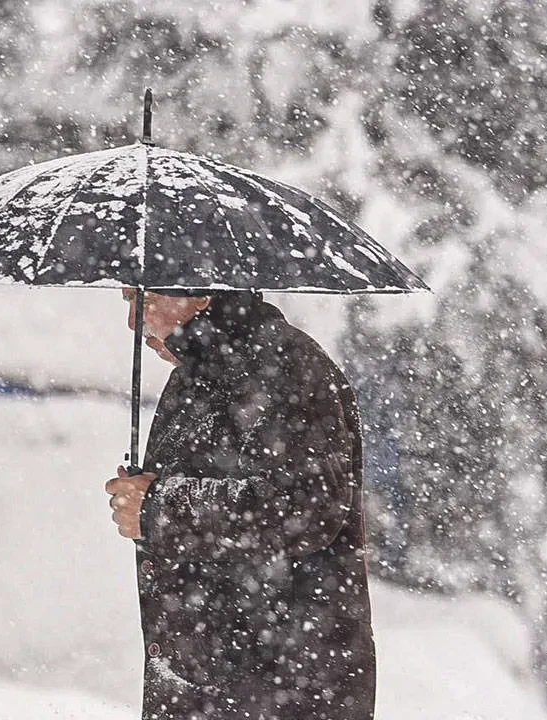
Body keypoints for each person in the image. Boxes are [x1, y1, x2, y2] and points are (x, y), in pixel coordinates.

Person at [105, 288, 376, 720]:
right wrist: (146, 497)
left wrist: (159, 508)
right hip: (209, 684)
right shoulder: (200, 377)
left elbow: (304, 508)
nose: (134, 322)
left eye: (142, 300)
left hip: (281, 688)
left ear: (199, 295)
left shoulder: (286, 367)